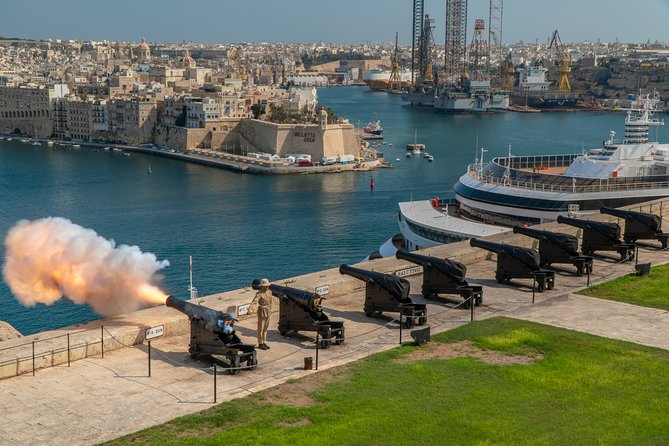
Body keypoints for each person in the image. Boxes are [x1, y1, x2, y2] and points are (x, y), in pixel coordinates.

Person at [249, 278, 274, 350]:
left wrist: (271, 309)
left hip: (268, 311)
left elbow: (271, 302)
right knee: (260, 328)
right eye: (265, 286)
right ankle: (260, 343)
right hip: (262, 311)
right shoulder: (259, 294)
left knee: (265, 329)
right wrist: (250, 309)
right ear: (262, 286)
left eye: (267, 285)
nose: (266, 287)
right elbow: (254, 302)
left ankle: (264, 342)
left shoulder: (270, 292)